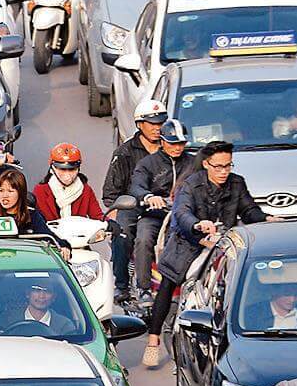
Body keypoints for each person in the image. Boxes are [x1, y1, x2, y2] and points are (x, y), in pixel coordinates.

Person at [145, 141, 265, 366]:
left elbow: (249, 210)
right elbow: (181, 213)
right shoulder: (191, 185)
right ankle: (153, 340)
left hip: (221, 246)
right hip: (187, 245)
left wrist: (266, 221)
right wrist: (198, 226)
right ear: (207, 164)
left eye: (227, 166)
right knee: (167, 286)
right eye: (218, 166)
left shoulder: (237, 184)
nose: (223, 172)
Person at [105, 98, 168, 303]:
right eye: (152, 124)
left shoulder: (171, 149)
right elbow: (111, 194)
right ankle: (122, 285)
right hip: (132, 207)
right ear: (140, 125)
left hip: (164, 208)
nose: (157, 129)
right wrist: (115, 217)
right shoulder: (124, 153)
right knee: (122, 234)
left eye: (161, 123)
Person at [129, 118, 196, 302]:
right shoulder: (147, 164)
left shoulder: (193, 163)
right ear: (163, 141)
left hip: (185, 216)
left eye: (181, 143)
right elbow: (136, 186)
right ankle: (143, 288)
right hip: (155, 215)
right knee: (143, 239)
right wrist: (149, 197)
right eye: (173, 143)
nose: (178, 148)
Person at [0, 165, 53, 238]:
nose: (4, 195)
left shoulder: (33, 215)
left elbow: (50, 238)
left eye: (10, 191)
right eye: (1, 190)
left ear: (20, 192)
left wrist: (63, 247)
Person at [34, 142, 105, 222]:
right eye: (62, 169)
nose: (67, 174)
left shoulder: (86, 190)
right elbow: (36, 220)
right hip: (50, 233)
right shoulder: (40, 190)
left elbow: (97, 216)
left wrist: (108, 222)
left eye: (72, 169)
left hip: (78, 233)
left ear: (78, 169)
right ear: (52, 169)